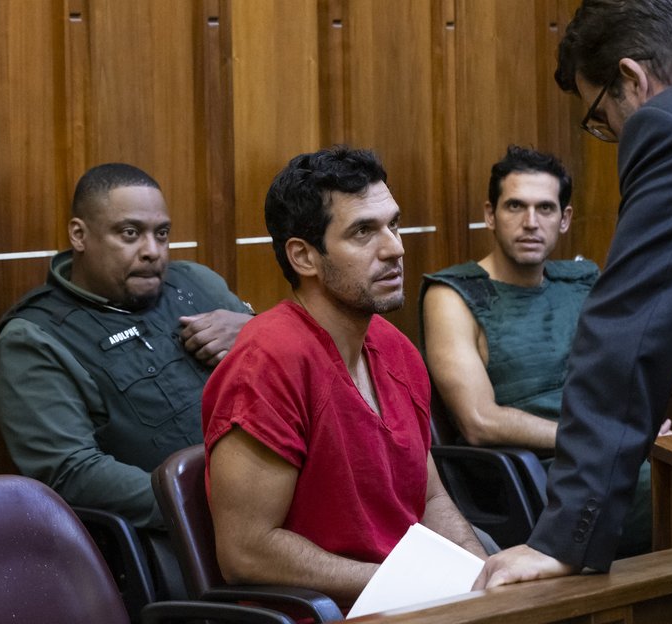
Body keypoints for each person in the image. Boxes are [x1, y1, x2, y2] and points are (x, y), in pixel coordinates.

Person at [473, 1, 672, 619]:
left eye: (601, 117)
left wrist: (565, 537)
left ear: (633, 78)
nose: (611, 133)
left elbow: (629, 339)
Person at [202, 146, 486, 607]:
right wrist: (409, 584)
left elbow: (429, 498)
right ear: (304, 257)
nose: (395, 247)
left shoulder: (396, 347)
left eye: (393, 224)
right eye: (363, 232)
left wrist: (478, 580)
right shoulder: (266, 363)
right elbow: (246, 552)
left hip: (412, 598)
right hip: (329, 610)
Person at [421, 145, 661, 557]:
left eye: (545, 209)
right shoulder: (454, 293)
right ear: (490, 214)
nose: (531, 222)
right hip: (536, 472)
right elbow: (480, 421)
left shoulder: (582, 281)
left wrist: (637, 429)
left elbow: (625, 370)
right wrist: (604, 440)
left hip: (610, 452)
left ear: (564, 219)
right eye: (515, 206)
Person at [0, 163, 254, 529]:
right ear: (79, 235)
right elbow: (73, 473)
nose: (152, 251)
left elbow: (297, 375)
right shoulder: (35, 338)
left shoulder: (195, 282)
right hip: (184, 536)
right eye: (130, 233)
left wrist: (256, 331)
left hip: (279, 493)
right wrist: (209, 501)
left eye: (161, 234)